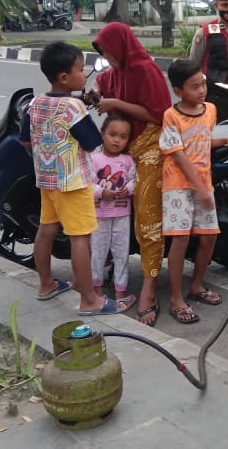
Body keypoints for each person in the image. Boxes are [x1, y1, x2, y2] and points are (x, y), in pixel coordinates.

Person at [20, 41, 119, 315]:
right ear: (65, 77)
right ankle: (89, 300)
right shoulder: (73, 108)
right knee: (81, 238)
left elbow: (26, 141)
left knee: (46, 230)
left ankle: (46, 284)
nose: (84, 73)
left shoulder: (37, 102)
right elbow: (92, 143)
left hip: (47, 181)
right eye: (80, 69)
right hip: (74, 183)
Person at [92, 22, 172, 326]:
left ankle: (149, 291)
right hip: (122, 148)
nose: (108, 57)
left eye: (109, 51)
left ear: (122, 46)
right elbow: (103, 79)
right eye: (103, 53)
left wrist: (117, 104)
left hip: (149, 144)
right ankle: (106, 270)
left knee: (148, 221)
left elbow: (159, 114)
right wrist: (98, 90)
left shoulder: (145, 69)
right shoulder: (117, 69)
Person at [159, 58, 228, 324]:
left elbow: (203, 140)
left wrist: (226, 139)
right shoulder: (171, 116)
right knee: (180, 240)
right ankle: (175, 298)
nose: (201, 90)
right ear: (178, 91)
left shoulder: (210, 110)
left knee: (209, 238)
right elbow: (179, 155)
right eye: (194, 86)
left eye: (203, 84)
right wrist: (200, 189)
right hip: (178, 186)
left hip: (202, 184)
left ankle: (195, 286)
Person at [90, 113, 136, 312]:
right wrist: (101, 192)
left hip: (122, 216)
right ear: (103, 134)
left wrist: (130, 189)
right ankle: (97, 292)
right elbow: (87, 185)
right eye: (113, 134)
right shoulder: (93, 159)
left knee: (121, 254)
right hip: (99, 216)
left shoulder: (128, 160)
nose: (117, 140)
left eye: (123, 137)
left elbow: (136, 179)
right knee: (98, 254)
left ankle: (120, 293)